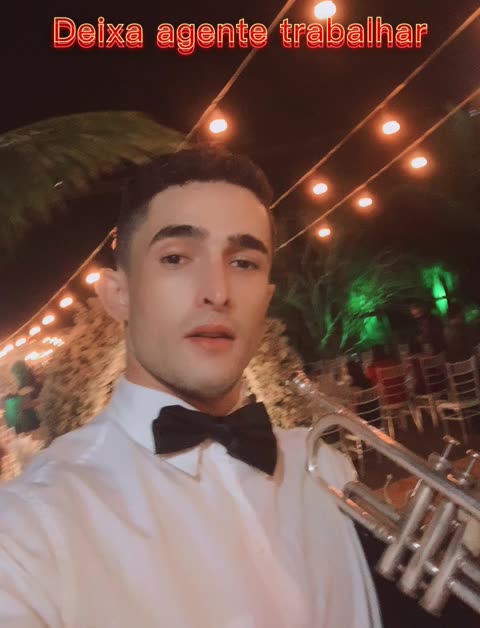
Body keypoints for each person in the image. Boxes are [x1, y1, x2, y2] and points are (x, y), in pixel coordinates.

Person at [0, 145, 380, 627]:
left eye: (244, 263)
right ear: (118, 294)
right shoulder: (30, 528)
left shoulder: (324, 467)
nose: (218, 292)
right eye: (176, 257)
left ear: (265, 299)